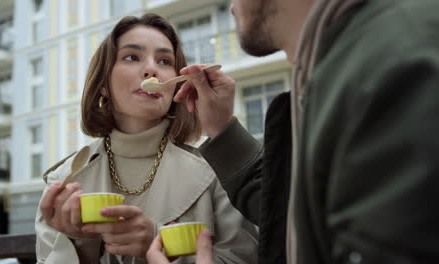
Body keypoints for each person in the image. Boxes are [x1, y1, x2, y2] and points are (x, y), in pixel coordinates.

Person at [147, 0, 439, 263]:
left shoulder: (393, 63)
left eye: (164, 59)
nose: (229, 6)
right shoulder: (351, 61)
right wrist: (222, 130)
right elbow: (291, 214)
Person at [35, 13, 258, 264]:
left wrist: (157, 242)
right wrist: (81, 242)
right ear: (103, 85)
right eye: (131, 57)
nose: (152, 68)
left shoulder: (218, 171)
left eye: (164, 61)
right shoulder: (62, 181)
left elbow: (245, 258)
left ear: (176, 84)